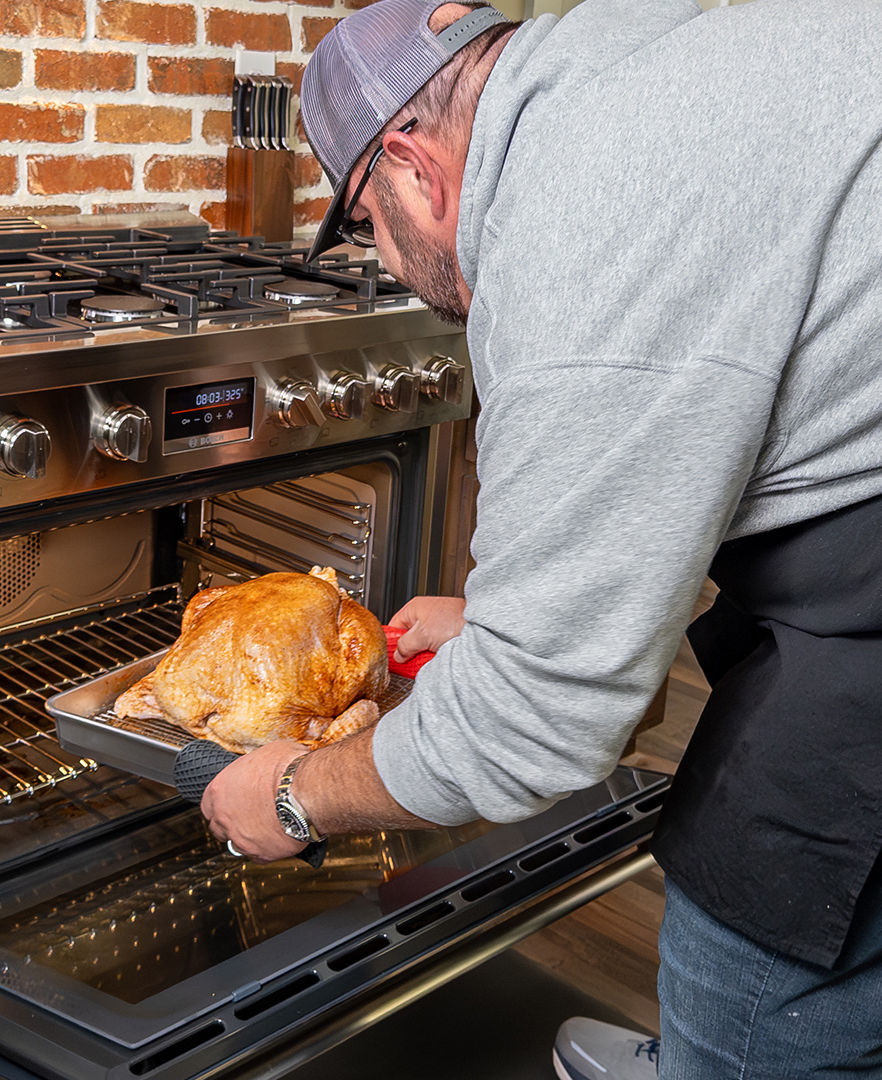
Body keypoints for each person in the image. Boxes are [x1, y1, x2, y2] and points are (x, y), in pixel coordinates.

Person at [200, 0, 882, 1076]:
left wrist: (292, 795)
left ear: (412, 166)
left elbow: (534, 728)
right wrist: (523, 619)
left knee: (759, 937)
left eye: (368, 226)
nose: (387, 267)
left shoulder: (573, 227)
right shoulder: (624, 62)